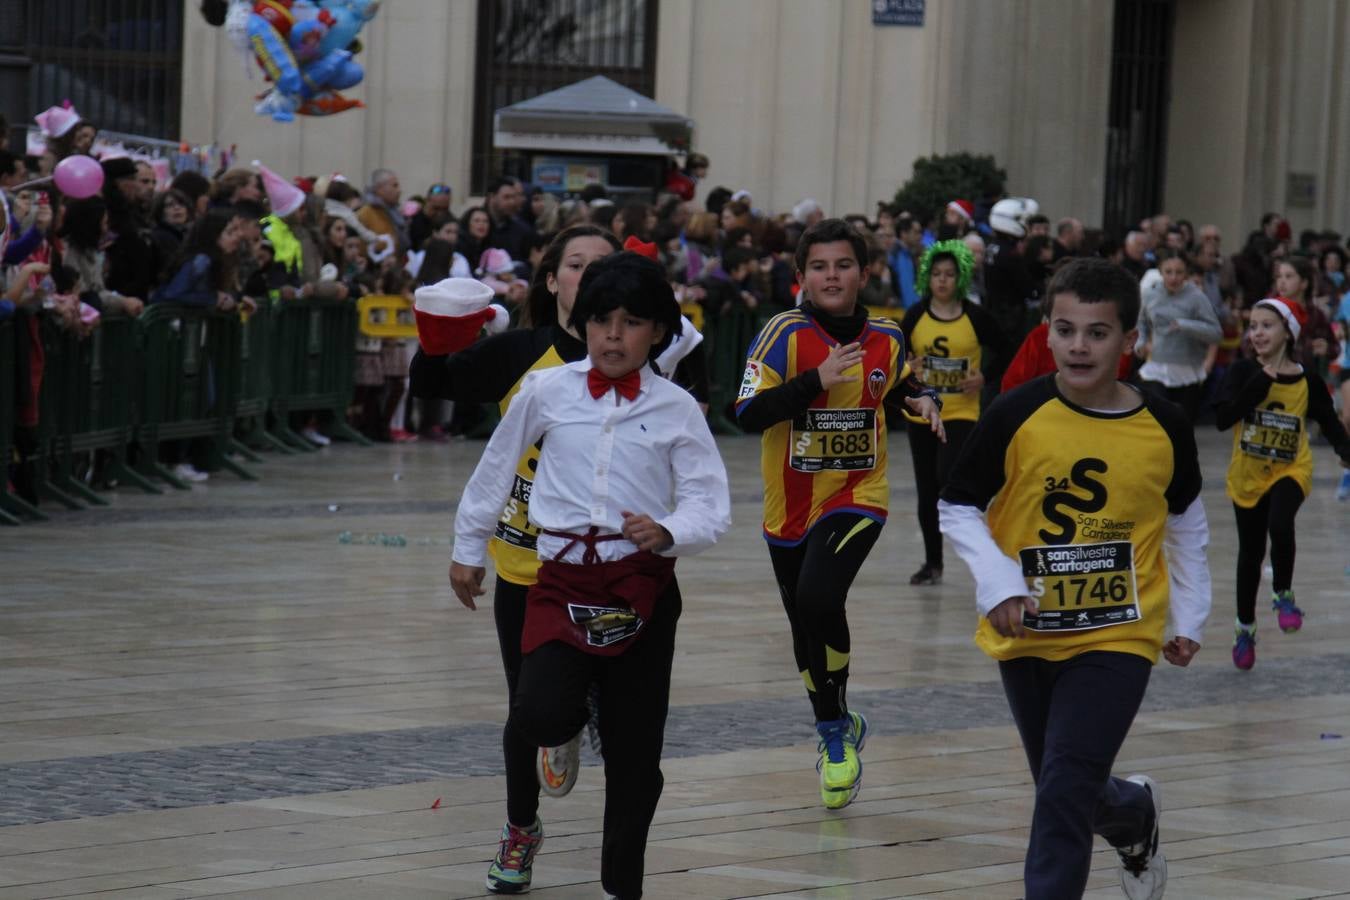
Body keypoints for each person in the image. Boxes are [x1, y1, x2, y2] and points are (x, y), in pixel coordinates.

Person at [450, 251, 729, 900]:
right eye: (600, 320)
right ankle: (575, 716)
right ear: (580, 325)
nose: (613, 335)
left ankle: (619, 886)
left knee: (636, 763)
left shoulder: (676, 409)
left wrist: (670, 531)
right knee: (541, 713)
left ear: (657, 332)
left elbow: (710, 505)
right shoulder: (547, 393)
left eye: (631, 322)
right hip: (561, 582)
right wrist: (468, 550)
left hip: (642, 590)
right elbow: (495, 469)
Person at [939, 256, 1211, 900]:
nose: (1079, 346)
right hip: (1029, 628)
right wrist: (998, 580)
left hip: (1120, 633)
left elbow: (1187, 526)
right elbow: (957, 504)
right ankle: (1133, 814)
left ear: (1130, 341)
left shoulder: (1166, 426)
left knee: (1063, 785)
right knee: (1066, 787)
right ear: (1047, 332)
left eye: (1097, 332)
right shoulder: (1014, 414)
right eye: (1065, 330)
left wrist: (1189, 616)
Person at [408, 225, 621, 893]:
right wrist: (441, 327)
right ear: (552, 279)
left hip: (609, 570)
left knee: (610, 707)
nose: (587, 277)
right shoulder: (521, 355)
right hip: (526, 567)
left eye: (602, 268)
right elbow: (432, 383)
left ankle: (576, 716)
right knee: (527, 711)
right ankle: (520, 828)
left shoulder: (638, 357)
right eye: (575, 265)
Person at [735, 219, 943, 810]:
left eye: (844, 265)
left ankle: (832, 741)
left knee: (820, 600)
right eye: (820, 267)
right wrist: (813, 382)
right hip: (787, 509)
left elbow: (897, 383)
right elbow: (746, 413)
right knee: (804, 626)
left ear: (864, 273)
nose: (833, 276)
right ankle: (838, 720)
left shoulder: (888, 333)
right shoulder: (781, 334)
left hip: (858, 494)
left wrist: (921, 399)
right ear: (802, 277)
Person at [1214, 297, 1350, 669]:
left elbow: (1329, 420)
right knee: (1250, 553)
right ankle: (1245, 629)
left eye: (1266, 325)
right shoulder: (1243, 371)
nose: (1257, 333)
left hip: (1291, 469)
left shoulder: (1307, 379)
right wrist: (1260, 383)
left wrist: (1344, 448)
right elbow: (1224, 418)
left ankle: (1283, 594)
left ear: (1288, 332)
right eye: (1253, 326)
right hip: (1247, 475)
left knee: (1280, 522)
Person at [899, 239, 1006, 585]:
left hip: (960, 412)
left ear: (960, 278)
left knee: (948, 479)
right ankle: (933, 563)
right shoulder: (915, 315)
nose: (942, 280)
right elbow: (892, 357)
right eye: (936, 274)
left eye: (949, 274)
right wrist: (906, 368)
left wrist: (984, 376)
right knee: (926, 490)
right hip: (920, 414)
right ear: (927, 278)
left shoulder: (976, 317)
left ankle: (981, 553)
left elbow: (1008, 349)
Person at [1135, 249, 1223, 422]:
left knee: (1181, 427)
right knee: (1156, 422)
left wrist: (1185, 324)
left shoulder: (1197, 297)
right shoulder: (1150, 295)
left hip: (1187, 371)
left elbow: (1216, 333)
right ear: (1160, 271)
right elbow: (1141, 323)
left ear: (1186, 274)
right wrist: (1141, 343)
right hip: (1156, 368)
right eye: (1168, 272)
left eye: (1179, 272)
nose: (1173, 277)